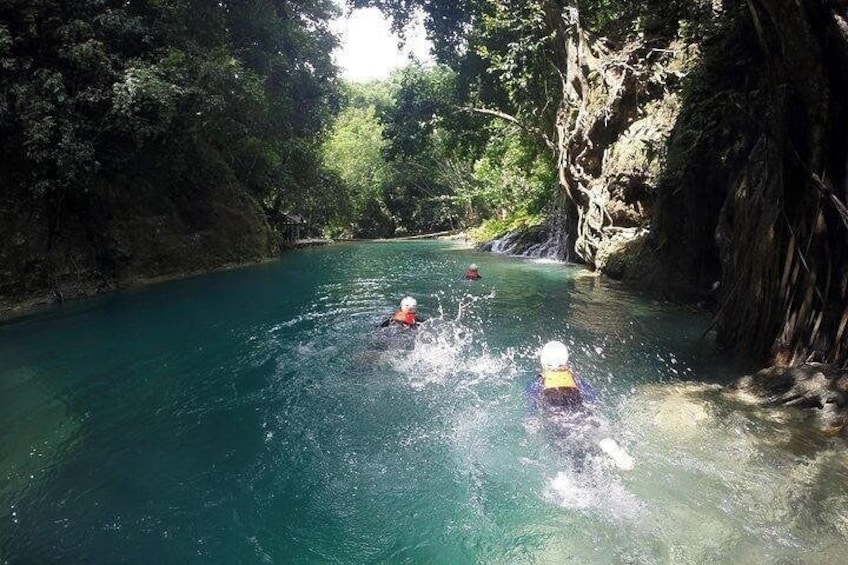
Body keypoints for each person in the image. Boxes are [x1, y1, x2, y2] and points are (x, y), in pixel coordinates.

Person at [526, 341, 595, 414]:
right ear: (566, 360)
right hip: (576, 410)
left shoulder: (539, 381)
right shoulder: (574, 378)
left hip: (553, 412)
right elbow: (593, 396)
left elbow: (531, 405)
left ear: (543, 361)